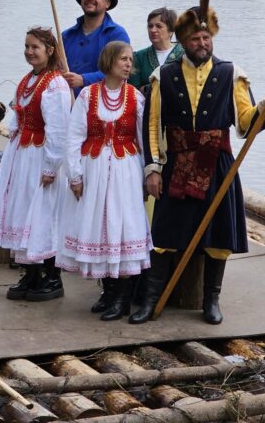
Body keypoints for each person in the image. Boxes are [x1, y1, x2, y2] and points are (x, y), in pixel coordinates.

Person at [132, 0, 265, 325]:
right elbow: (152, 126)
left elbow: (246, 124)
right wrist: (153, 168)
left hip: (219, 164)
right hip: (176, 165)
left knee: (218, 238)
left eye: (206, 37)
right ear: (182, 41)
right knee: (163, 238)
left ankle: (210, 302)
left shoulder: (233, 74)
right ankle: (149, 301)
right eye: (195, 38)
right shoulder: (163, 77)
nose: (202, 43)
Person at [57, 41, 152, 320]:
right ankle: (108, 292)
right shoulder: (88, 95)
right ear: (109, 60)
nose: (128, 64)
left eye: (130, 60)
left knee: (121, 228)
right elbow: (74, 136)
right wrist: (75, 175)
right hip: (95, 169)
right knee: (99, 227)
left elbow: (142, 140)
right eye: (123, 59)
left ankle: (122, 298)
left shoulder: (136, 97)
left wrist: (147, 175)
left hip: (125, 171)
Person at [0, 27, 71, 301]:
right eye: (27, 47)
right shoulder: (27, 81)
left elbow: (59, 130)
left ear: (49, 50)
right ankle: (30, 273)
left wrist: (51, 167)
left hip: (43, 156)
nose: (29, 52)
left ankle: (51, 277)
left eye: (35, 47)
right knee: (22, 212)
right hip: (23, 156)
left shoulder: (55, 85)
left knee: (43, 215)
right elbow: (18, 118)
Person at [61, 0, 130, 97]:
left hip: (101, 106)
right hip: (66, 105)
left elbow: (120, 71)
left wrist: (83, 80)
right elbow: (53, 70)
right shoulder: (66, 36)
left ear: (107, 3)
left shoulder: (117, 35)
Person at [128, 7, 184, 93]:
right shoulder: (138, 57)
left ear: (171, 30)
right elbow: (132, 90)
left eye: (159, 26)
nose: (153, 30)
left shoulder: (185, 54)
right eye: (150, 26)